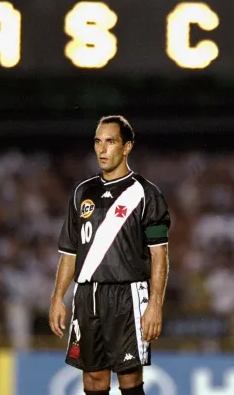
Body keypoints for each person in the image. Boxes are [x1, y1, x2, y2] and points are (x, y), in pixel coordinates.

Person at [49, 115, 171, 395]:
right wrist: (57, 297)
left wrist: (155, 304)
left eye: (111, 142)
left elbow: (160, 256)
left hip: (127, 295)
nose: (102, 149)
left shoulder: (145, 193)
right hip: (87, 296)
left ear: (126, 147)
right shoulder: (82, 192)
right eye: (98, 142)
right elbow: (69, 252)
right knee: (93, 380)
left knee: (129, 379)